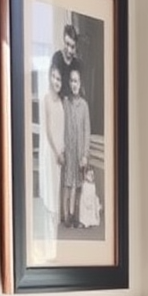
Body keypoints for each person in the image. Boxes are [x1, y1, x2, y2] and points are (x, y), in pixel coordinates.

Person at [61, 65, 91, 229]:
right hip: (69, 150)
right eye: (72, 81)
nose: (74, 84)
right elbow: (61, 127)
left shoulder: (84, 106)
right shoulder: (66, 103)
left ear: (80, 83)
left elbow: (87, 131)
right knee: (67, 183)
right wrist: (62, 149)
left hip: (80, 152)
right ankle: (66, 216)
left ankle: (76, 216)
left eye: (76, 81)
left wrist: (85, 154)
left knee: (78, 185)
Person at [38, 62, 65, 231]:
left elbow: (61, 125)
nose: (56, 81)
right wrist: (56, 151)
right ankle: (52, 216)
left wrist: (62, 149)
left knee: (58, 182)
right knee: (51, 181)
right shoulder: (46, 99)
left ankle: (56, 214)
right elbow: (47, 129)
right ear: (49, 77)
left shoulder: (61, 101)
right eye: (54, 77)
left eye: (59, 79)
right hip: (51, 148)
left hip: (60, 147)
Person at [49, 22, 81, 91]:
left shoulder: (77, 64)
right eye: (67, 44)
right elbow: (53, 85)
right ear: (64, 41)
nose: (69, 50)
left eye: (72, 47)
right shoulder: (57, 58)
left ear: (76, 47)